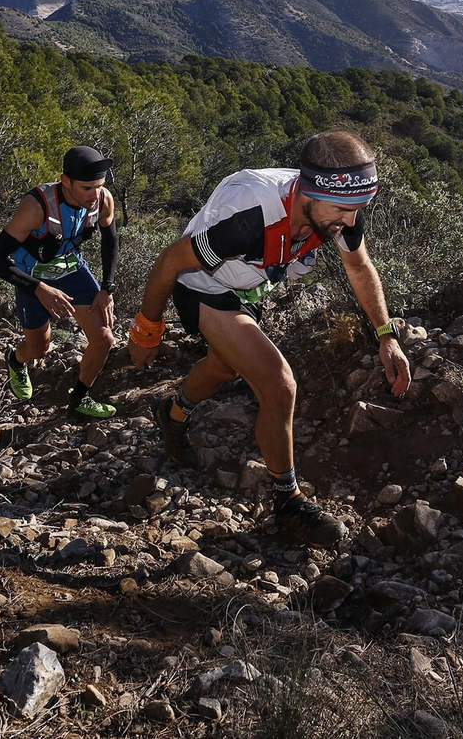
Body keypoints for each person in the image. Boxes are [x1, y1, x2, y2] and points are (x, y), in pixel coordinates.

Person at [128, 131, 411, 548]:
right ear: (309, 192)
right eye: (342, 210)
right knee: (279, 385)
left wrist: (387, 335)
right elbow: (171, 260)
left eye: (359, 210)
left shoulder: (339, 206)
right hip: (203, 285)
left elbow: (359, 267)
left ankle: (172, 413)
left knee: (225, 365)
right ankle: (288, 500)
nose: (350, 222)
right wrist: (147, 329)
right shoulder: (249, 216)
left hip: (247, 286)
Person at [0, 146, 120, 420]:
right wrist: (38, 288)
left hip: (72, 270)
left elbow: (111, 240)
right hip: (33, 276)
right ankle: (16, 361)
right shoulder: (37, 206)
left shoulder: (103, 199)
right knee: (38, 348)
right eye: (86, 188)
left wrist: (107, 287)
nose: (94, 196)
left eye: (99, 186)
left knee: (104, 339)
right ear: (65, 180)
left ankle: (80, 398)